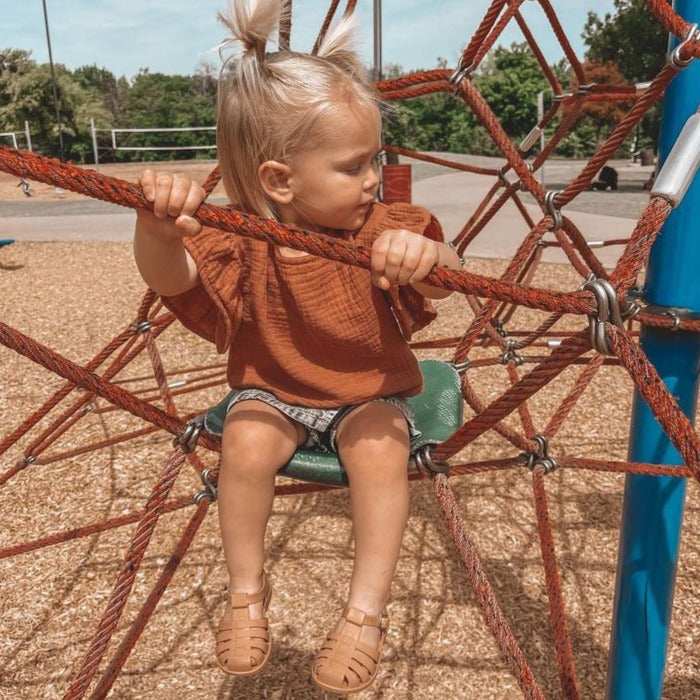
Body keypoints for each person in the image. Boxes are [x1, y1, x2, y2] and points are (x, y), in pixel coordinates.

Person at [132, 0, 461, 693]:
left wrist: (423, 252)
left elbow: (447, 275)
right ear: (280, 180)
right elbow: (175, 280)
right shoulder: (244, 240)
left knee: (380, 450)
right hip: (275, 394)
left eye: (375, 159)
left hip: (366, 396)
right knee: (244, 443)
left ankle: (364, 613)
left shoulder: (381, 226)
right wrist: (158, 231)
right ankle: (246, 593)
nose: (373, 178)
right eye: (353, 166)